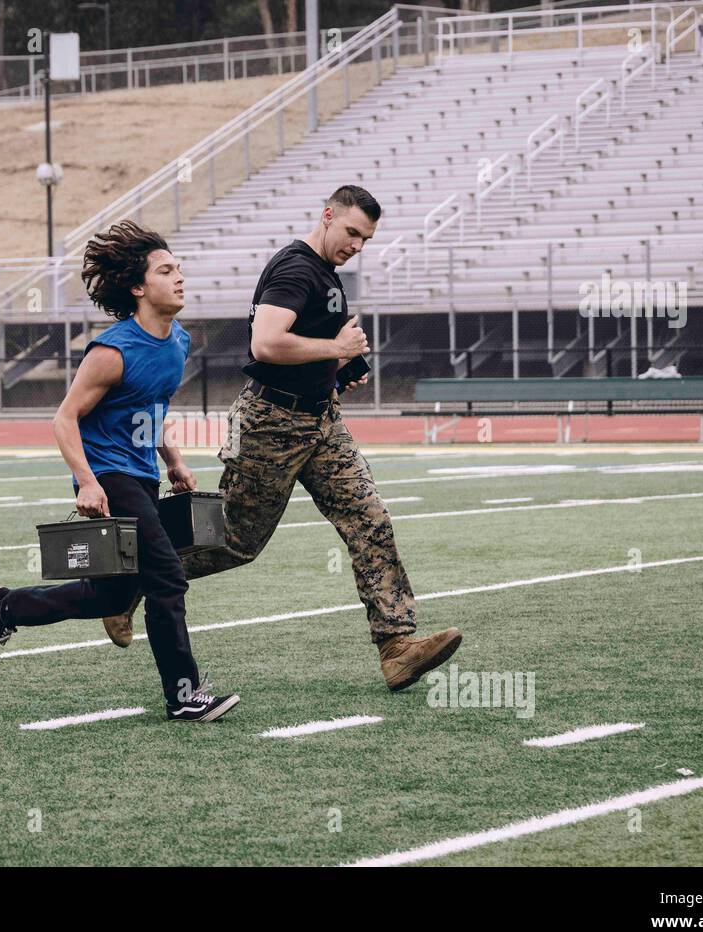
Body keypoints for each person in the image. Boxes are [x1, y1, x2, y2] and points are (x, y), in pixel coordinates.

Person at [102, 186, 462, 692]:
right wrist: (335, 344)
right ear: (328, 216)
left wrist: (337, 366)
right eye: (352, 232)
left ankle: (396, 646)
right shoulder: (296, 268)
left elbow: (306, 346)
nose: (358, 244)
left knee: (370, 519)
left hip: (320, 420)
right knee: (236, 541)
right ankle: (129, 585)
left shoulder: (326, 274)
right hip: (272, 421)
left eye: (367, 239)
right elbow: (266, 342)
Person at [0, 220, 239, 722]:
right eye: (166, 270)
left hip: (141, 476)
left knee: (110, 593)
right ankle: (183, 696)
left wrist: (174, 461)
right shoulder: (112, 351)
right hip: (110, 477)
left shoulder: (177, 341)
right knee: (167, 578)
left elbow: (151, 408)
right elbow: (64, 419)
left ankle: (9, 608)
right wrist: (89, 482)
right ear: (138, 287)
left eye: (179, 268)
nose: (179, 277)